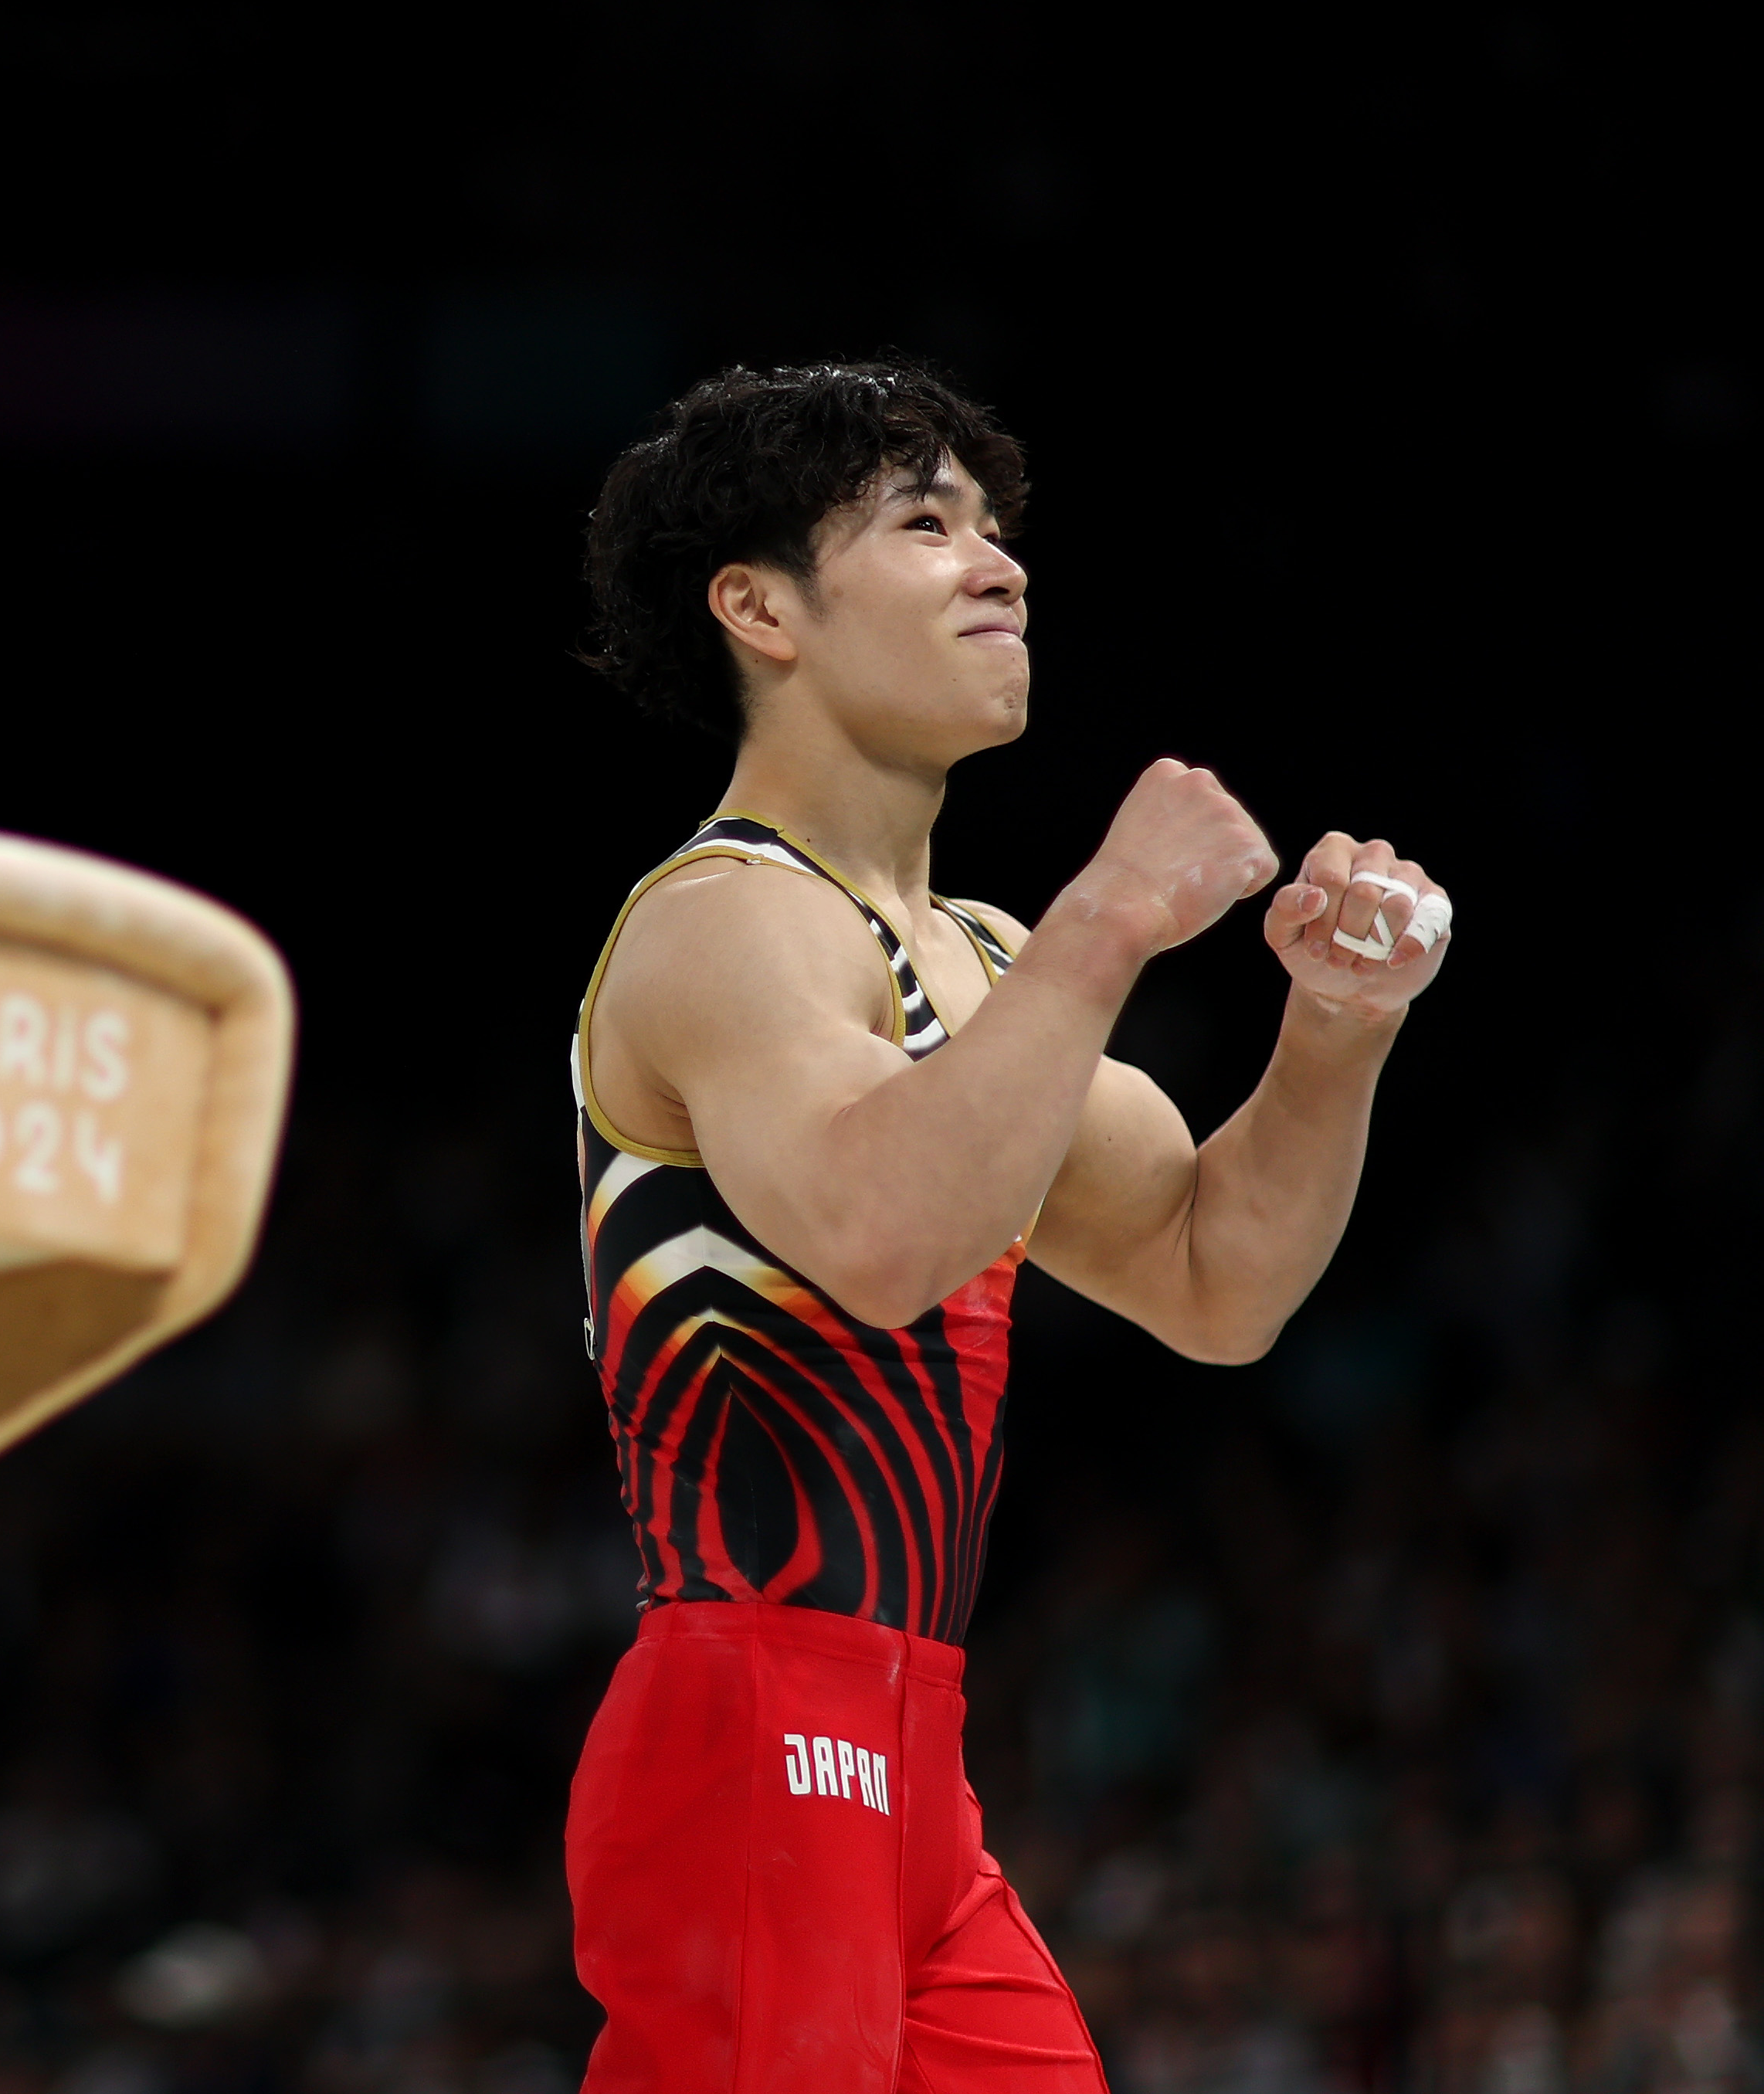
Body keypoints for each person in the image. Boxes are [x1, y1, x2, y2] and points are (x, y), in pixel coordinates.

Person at [564, 363, 1452, 2090]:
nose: (1000, 566)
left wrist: (1337, 1032)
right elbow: (883, 1235)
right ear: (760, 610)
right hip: (755, 1722)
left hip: (915, 1761)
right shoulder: (721, 922)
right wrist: (1113, 916)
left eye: (993, 526)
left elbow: (1218, 1279)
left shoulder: (979, 964)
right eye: (923, 524)